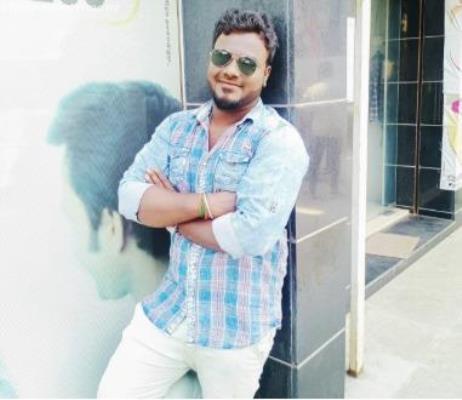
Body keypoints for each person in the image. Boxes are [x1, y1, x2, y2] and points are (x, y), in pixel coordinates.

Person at [98, 8, 309, 398]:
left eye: (247, 63)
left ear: (265, 74)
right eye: (222, 57)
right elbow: (129, 197)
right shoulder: (176, 128)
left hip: (235, 331)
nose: (231, 70)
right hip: (168, 312)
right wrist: (208, 205)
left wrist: (168, 212)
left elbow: (249, 236)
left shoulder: (278, 142)